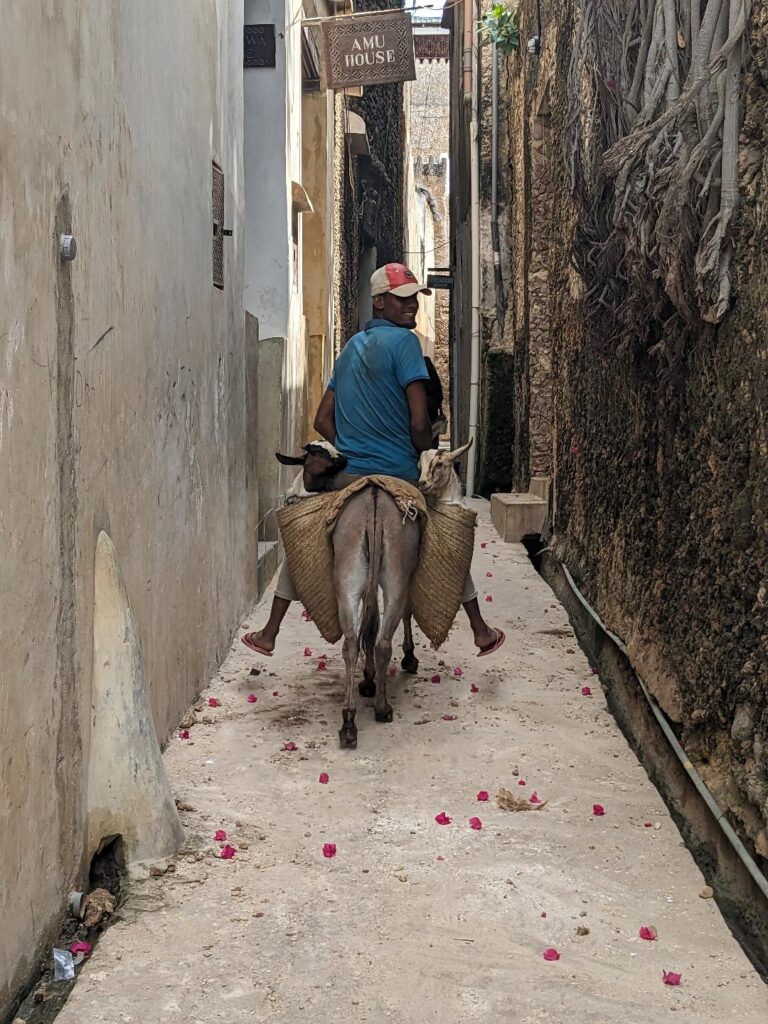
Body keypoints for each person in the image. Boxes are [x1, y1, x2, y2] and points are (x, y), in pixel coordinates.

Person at [242, 262, 505, 658]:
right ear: (379, 302)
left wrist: (351, 446)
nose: (412, 306)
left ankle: (270, 631)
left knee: (307, 538)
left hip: (348, 476)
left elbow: (321, 419)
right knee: (443, 537)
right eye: (402, 299)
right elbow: (420, 421)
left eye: (414, 298)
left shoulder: (349, 349)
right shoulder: (406, 345)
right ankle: (480, 629)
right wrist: (417, 452)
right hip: (399, 473)